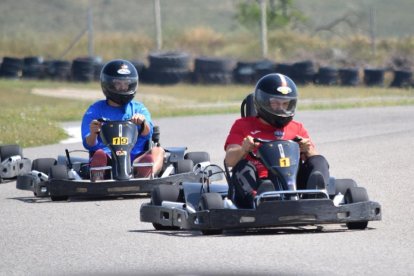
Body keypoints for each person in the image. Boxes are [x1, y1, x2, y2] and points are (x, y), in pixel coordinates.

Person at [224, 73, 329, 208]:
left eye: (285, 104)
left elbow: (315, 159)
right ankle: (259, 201)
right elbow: (230, 160)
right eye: (275, 103)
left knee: (319, 160)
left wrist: (307, 150)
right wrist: (244, 149)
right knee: (243, 166)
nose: (281, 108)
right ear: (263, 102)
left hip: (294, 181)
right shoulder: (243, 125)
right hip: (259, 182)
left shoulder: (296, 128)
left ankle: (316, 197)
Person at [81, 59, 164, 180]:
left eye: (126, 83)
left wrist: (143, 123)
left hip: (136, 158)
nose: (123, 87)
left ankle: (145, 174)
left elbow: (148, 134)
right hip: (108, 157)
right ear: (108, 84)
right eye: (118, 83)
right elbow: (88, 143)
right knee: (99, 155)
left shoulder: (138, 108)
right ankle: (100, 173)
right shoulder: (95, 110)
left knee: (158, 150)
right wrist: (93, 133)